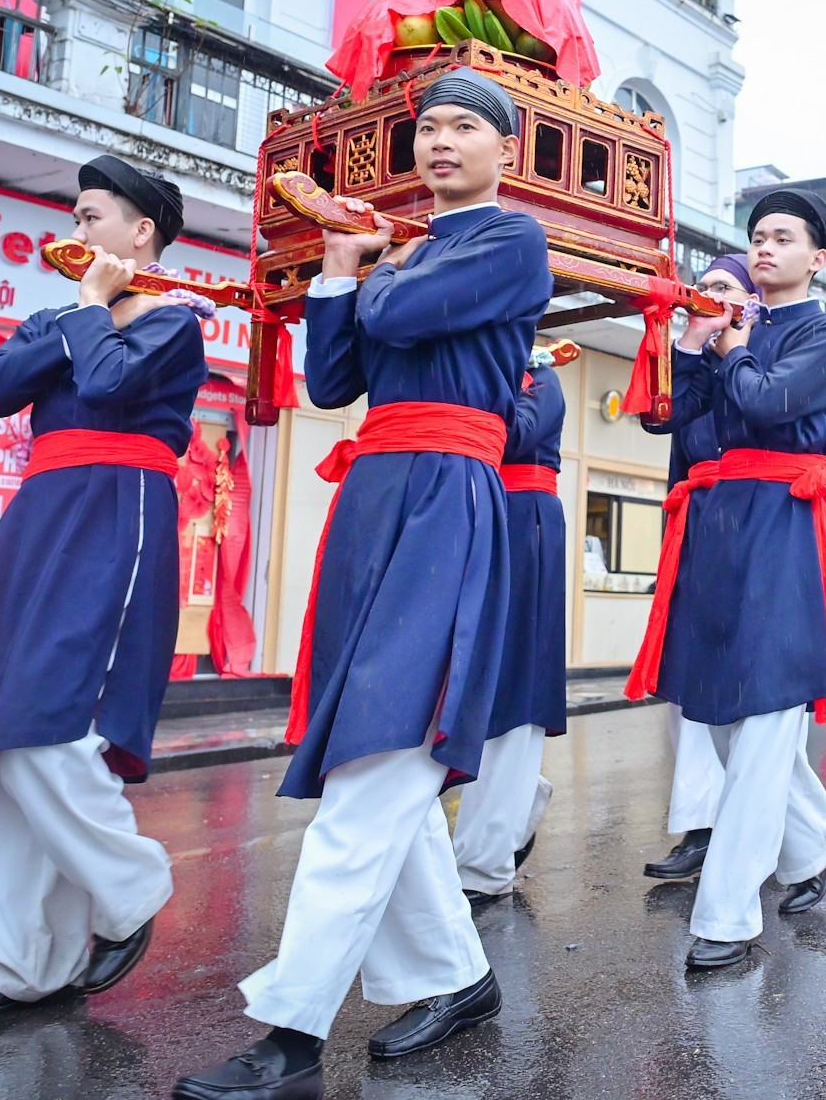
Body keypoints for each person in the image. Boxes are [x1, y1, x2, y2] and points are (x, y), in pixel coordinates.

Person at [175, 69, 553, 1100]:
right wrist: (340, 273)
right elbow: (332, 380)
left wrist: (363, 262)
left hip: (445, 498)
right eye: (427, 126)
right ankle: (459, 976)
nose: (440, 140)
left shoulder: (507, 238)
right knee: (373, 758)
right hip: (377, 494)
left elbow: (406, 313)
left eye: (464, 125)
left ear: (503, 150)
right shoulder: (409, 249)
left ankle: (291, 1033)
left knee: (377, 762)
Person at [0, 157, 205, 1023]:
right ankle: (27, 968)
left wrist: (88, 312)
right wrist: (78, 315)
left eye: (91, 218)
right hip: (38, 517)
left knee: (52, 725)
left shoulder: (174, 323)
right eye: (76, 218)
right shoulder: (63, 314)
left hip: (116, 514)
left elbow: (111, 382)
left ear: (141, 233)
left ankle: (133, 887)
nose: (76, 232)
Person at [627, 186, 826, 972]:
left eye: (783, 238)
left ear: (816, 257)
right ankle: (816, 839)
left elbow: (765, 402)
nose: (763, 249)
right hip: (718, 529)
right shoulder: (733, 330)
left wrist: (731, 351)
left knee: (763, 718)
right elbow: (683, 427)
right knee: (722, 718)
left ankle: (726, 917)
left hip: (784, 529)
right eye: (756, 236)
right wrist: (695, 344)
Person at [637, 254, 750, 881]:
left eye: (724, 288)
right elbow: (663, 423)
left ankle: (796, 830)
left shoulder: (765, 364)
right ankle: (700, 827)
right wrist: (691, 342)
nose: (709, 296)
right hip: (692, 533)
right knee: (685, 688)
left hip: (751, 531)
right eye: (702, 287)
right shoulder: (694, 371)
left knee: (748, 696)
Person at [452, 349, 567, 904]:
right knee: (474, 681)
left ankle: (485, 860)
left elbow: (512, 436)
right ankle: (515, 807)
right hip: (475, 511)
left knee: (514, 686)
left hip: (524, 523)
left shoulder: (542, 375)